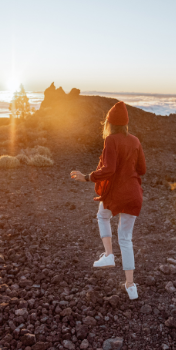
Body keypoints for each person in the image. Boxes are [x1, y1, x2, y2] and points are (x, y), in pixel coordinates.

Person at [70, 101, 146, 300]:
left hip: (117, 194)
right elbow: (143, 170)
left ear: (110, 123)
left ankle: (109, 255)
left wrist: (87, 177)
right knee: (126, 238)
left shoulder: (111, 140)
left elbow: (109, 169)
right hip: (134, 195)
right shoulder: (136, 141)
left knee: (102, 216)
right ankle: (131, 286)